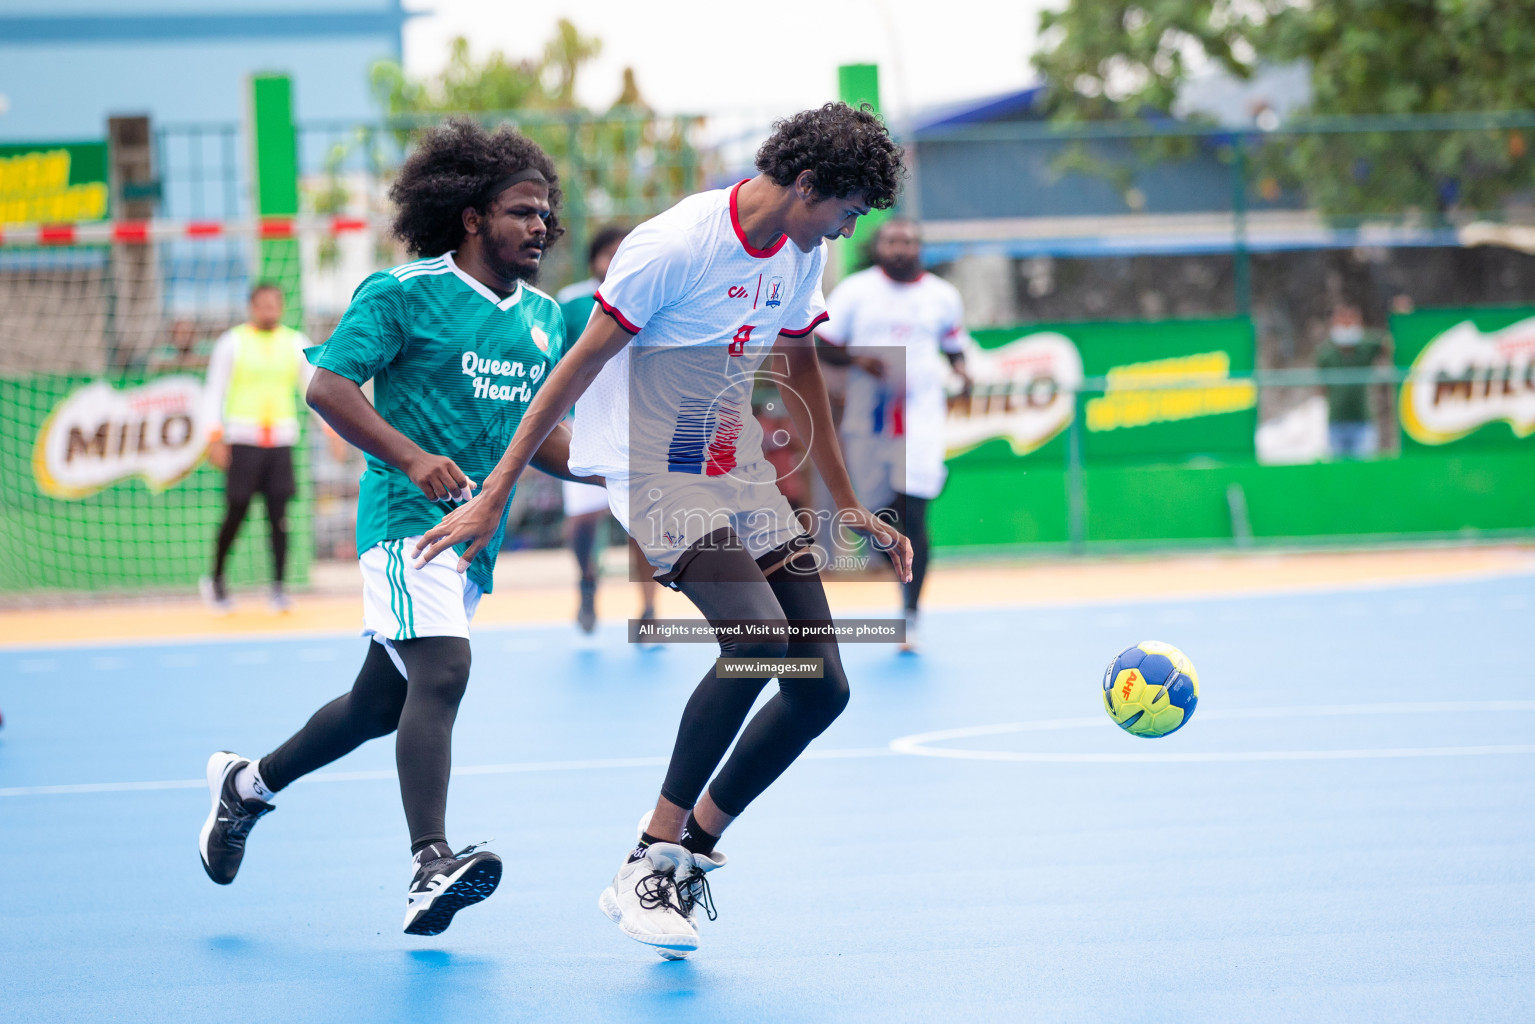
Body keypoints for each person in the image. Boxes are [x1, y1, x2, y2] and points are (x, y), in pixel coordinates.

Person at [414, 102, 911, 959]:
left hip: (735, 465)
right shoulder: (675, 245)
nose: (851, 226)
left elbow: (794, 365)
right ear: (805, 185)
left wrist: (849, 501)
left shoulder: (804, 250)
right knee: (759, 644)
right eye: (849, 207)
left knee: (820, 687)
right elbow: (578, 366)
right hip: (653, 466)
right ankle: (647, 856)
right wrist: (498, 490)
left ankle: (687, 856)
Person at [198, 119, 596, 936]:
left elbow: (540, 437)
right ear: (472, 216)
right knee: (444, 672)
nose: (541, 226)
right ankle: (429, 865)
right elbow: (329, 387)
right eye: (523, 210)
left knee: (380, 704)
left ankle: (246, 788)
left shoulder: (546, 318)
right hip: (406, 521)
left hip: (472, 541)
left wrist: (611, 465)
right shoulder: (402, 293)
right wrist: (414, 458)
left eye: (547, 213)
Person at [817, 218, 970, 653]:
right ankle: (890, 551)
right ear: (878, 246)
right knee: (868, 515)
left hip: (920, 419)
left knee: (915, 513)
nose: (900, 248)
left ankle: (911, 613)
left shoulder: (942, 296)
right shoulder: (856, 291)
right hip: (869, 419)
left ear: (919, 248)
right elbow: (823, 342)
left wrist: (963, 373)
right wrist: (858, 361)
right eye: (892, 241)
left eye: (907, 242)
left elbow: (955, 346)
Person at [555, 225, 661, 635]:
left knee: (643, 525)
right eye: (608, 254)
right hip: (583, 428)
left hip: (641, 429)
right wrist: (557, 417)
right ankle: (586, 580)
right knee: (583, 518)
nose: (616, 262)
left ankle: (649, 609)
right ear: (594, 260)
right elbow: (555, 359)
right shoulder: (573, 303)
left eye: (624, 253)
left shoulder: (654, 297)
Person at [199, 284, 315, 613]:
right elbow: (214, 391)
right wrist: (214, 435)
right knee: (236, 510)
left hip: (280, 440)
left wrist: (331, 431)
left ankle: (278, 587)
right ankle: (216, 580)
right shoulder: (232, 342)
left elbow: (313, 391)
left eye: (274, 305)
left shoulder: (295, 343)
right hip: (243, 439)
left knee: (279, 516)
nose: (268, 311)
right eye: (262, 305)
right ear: (252, 307)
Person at [1315, 302, 1388, 459]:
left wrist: (1403, 315)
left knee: (1363, 473)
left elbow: (1387, 344)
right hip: (1336, 423)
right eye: (1342, 321)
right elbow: (1320, 387)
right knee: (1339, 475)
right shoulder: (1326, 353)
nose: (1346, 326)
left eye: (1350, 321)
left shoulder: (1366, 346)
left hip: (1363, 422)